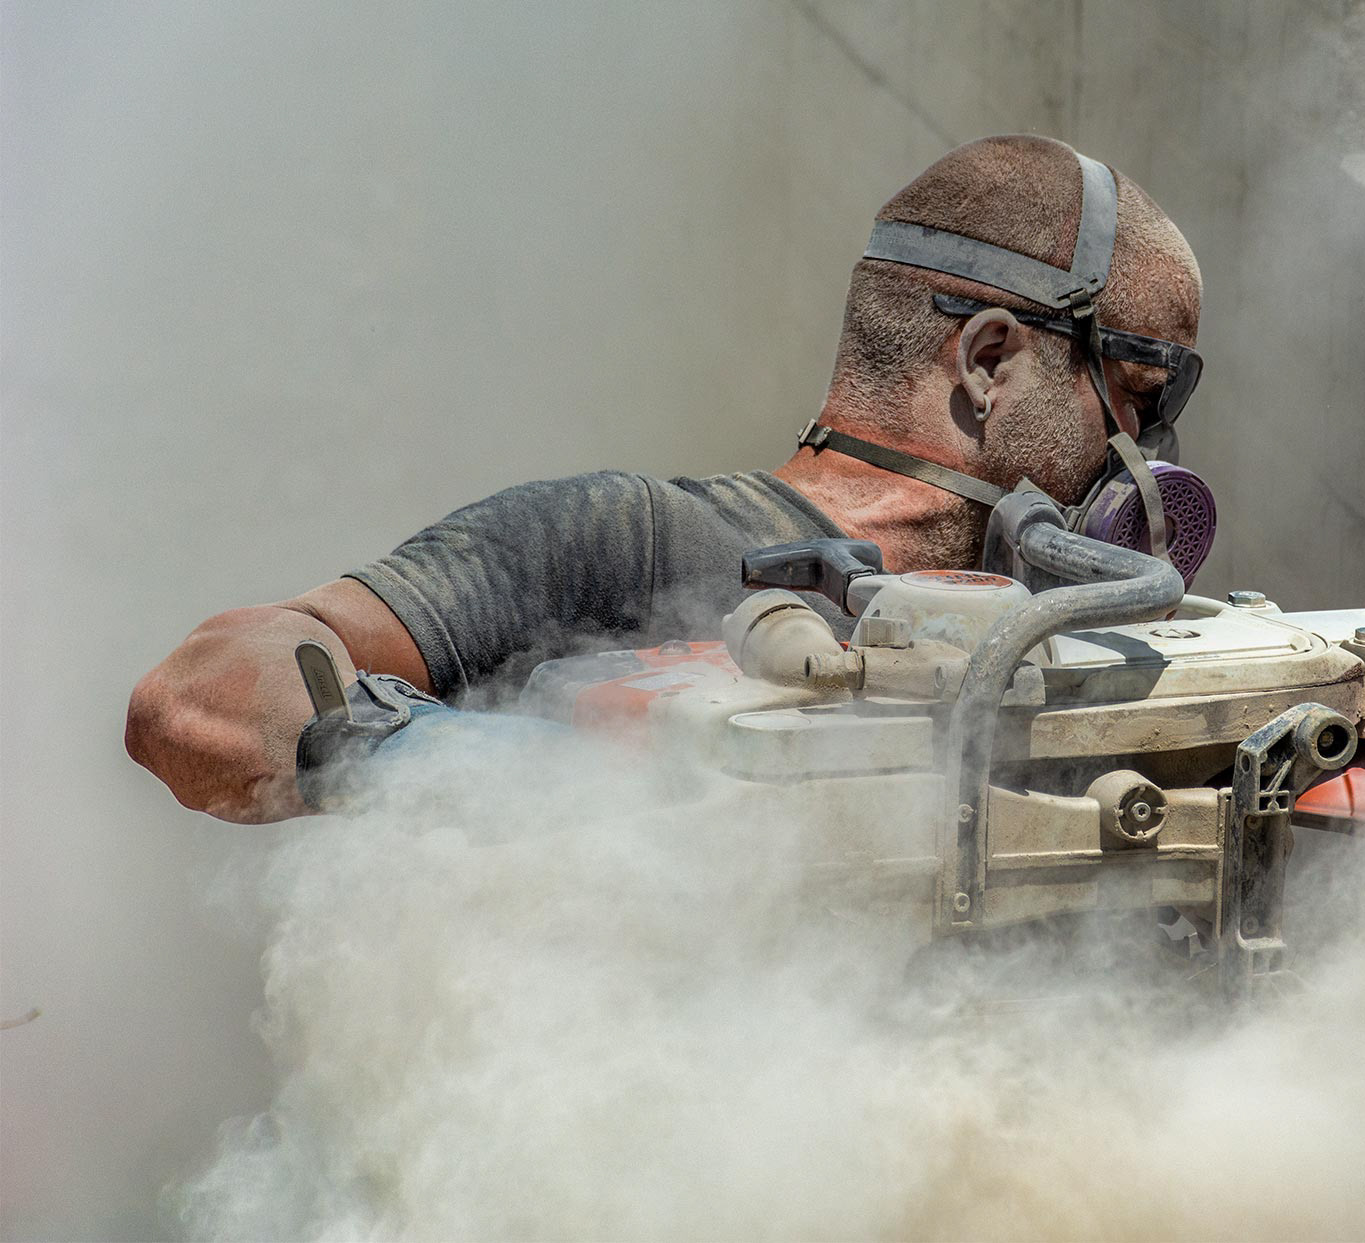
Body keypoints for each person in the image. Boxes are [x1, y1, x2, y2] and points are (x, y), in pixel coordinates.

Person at [125, 134, 1204, 823]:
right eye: (1137, 392)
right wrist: (477, 769)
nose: (1144, 457)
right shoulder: (627, 540)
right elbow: (195, 697)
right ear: (990, 360)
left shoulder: (1091, 645)